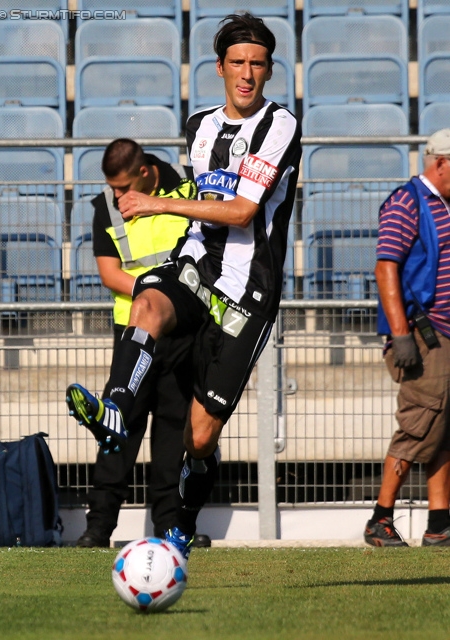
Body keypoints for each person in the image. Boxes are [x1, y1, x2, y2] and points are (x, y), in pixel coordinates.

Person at [67, 13, 302, 558]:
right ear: (219, 67)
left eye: (257, 64)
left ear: (269, 71)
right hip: (195, 270)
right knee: (146, 301)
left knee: (199, 436)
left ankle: (183, 524)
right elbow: (207, 215)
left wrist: (157, 202)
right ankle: (115, 410)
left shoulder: (281, 125)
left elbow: (242, 211)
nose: (246, 74)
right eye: (237, 63)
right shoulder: (198, 125)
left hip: (247, 293)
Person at [73, 139, 210, 549]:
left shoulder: (189, 186)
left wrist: (175, 301)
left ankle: (169, 526)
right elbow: (110, 273)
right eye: (112, 188)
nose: (117, 196)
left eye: (123, 187)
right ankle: (98, 528)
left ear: (146, 172)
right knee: (119, 425)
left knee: (174, 430)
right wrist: (156, 293)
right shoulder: (107, 206)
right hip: (135, 331)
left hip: (184, 333)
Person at [364, 128, 450, 548]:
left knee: (442, 427)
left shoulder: (444, 205)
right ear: (441, 163)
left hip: (443, 336)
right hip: (424, 335)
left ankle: (439, 523)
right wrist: (401, 336)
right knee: (418, 424)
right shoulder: (407, 201)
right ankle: (380, 518)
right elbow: (386, 268)